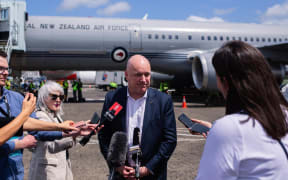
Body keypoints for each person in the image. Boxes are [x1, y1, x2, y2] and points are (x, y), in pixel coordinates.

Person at [192, 41, 288, 179]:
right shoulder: (283, 114)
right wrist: (214, 129)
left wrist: (221, 132)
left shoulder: (230, 128)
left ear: (225, 81)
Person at [0, 51, 77, 179]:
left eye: (6, 69)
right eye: (0, 69)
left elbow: (29, 125)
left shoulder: (16, 98)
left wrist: (64, 128)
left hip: (14, 174)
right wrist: (18, 143)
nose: (6, 73)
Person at [98, 55, 177, 180]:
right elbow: (103, 135)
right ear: (127, 75)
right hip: (120, 174)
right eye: (138, 75)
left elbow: (169, 140)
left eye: (147, 74)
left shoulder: (163, 101)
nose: (144, 79)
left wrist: (148, 168)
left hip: (152, 174)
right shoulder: (112, 98)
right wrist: (118, 166)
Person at [29, 81, 102, 180]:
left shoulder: (54, 115)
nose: (58, 100)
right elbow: (51, 145)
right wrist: (76, 132)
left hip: (59, 169)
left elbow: (62, 136)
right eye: (54, 97)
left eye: (61, 97)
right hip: (47, 172)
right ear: (43, 97)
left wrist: (78, 131)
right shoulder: (40, 116)